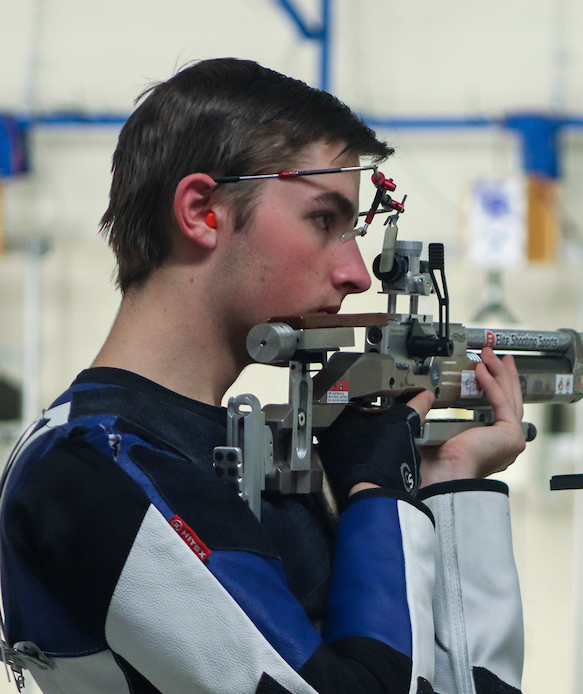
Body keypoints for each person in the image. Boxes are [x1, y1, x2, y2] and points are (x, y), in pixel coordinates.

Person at [0, 58, 528, 694]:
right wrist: (379, 493)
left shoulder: (233, 454)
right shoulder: (95, 468)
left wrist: (448, 488)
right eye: (324, 220)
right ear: (202, 211)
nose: (359, 274)